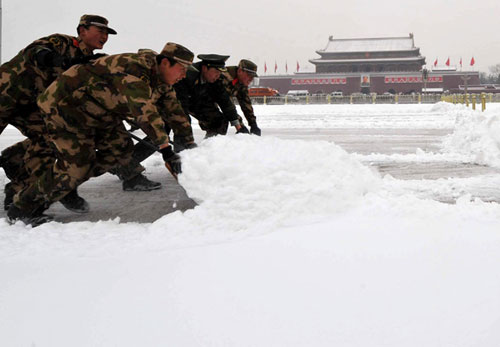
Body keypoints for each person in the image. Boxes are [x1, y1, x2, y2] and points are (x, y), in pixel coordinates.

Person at [7, 42, 195, 226]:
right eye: (182, 69)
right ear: (165, 63)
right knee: (76, 167)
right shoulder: (134, 71)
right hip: (67, 108)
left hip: (100, 112)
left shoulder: (162, 80)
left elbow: (175, 112)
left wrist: (189, 145)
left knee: (120, 150)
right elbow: (145, 112)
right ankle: (23, 206)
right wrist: (166, 150)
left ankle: (66, 182)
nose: (184, 75)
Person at [0, 14, 116, 212]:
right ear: (82, 31)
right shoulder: (61, 42)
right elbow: (36, 52)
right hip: (6, 95)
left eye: (107, 33)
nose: (104, 36)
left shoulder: (89, 61)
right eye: (100, 31)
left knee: (49, 136)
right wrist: (59, 60)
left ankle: (20, 188)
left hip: (31, 106)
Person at [174, 54, 249, 138]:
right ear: (205, 68)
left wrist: (238, 127)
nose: (218, 75)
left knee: (219, 121)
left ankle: (210, 146)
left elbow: (225, 101)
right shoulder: (187, 76)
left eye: (220, 72)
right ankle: (180, 148)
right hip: (175, 102)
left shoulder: (215, 79)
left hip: (197, 102)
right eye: (216, 71)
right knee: (182, 121)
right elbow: (180, 106)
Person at [221, 59, 261, 136]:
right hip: (201, 99)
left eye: (253, 77)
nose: (251, 79)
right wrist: (240, 127)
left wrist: (253, 124)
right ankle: (210, 145)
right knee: (219, 121)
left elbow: (246, 103)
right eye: (249, 75)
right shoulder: (225, 78)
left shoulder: (242, 83)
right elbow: (228, 104)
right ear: (240, 71)